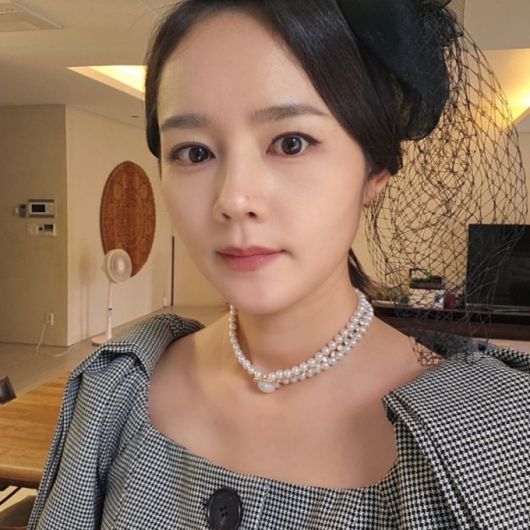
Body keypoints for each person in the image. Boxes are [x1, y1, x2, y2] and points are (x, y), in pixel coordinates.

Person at [28, 1, 529, 529]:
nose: (234, 200)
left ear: (374, 173)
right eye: (194, 153)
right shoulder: (116, 390)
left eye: (291, 143)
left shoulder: (495, 442)